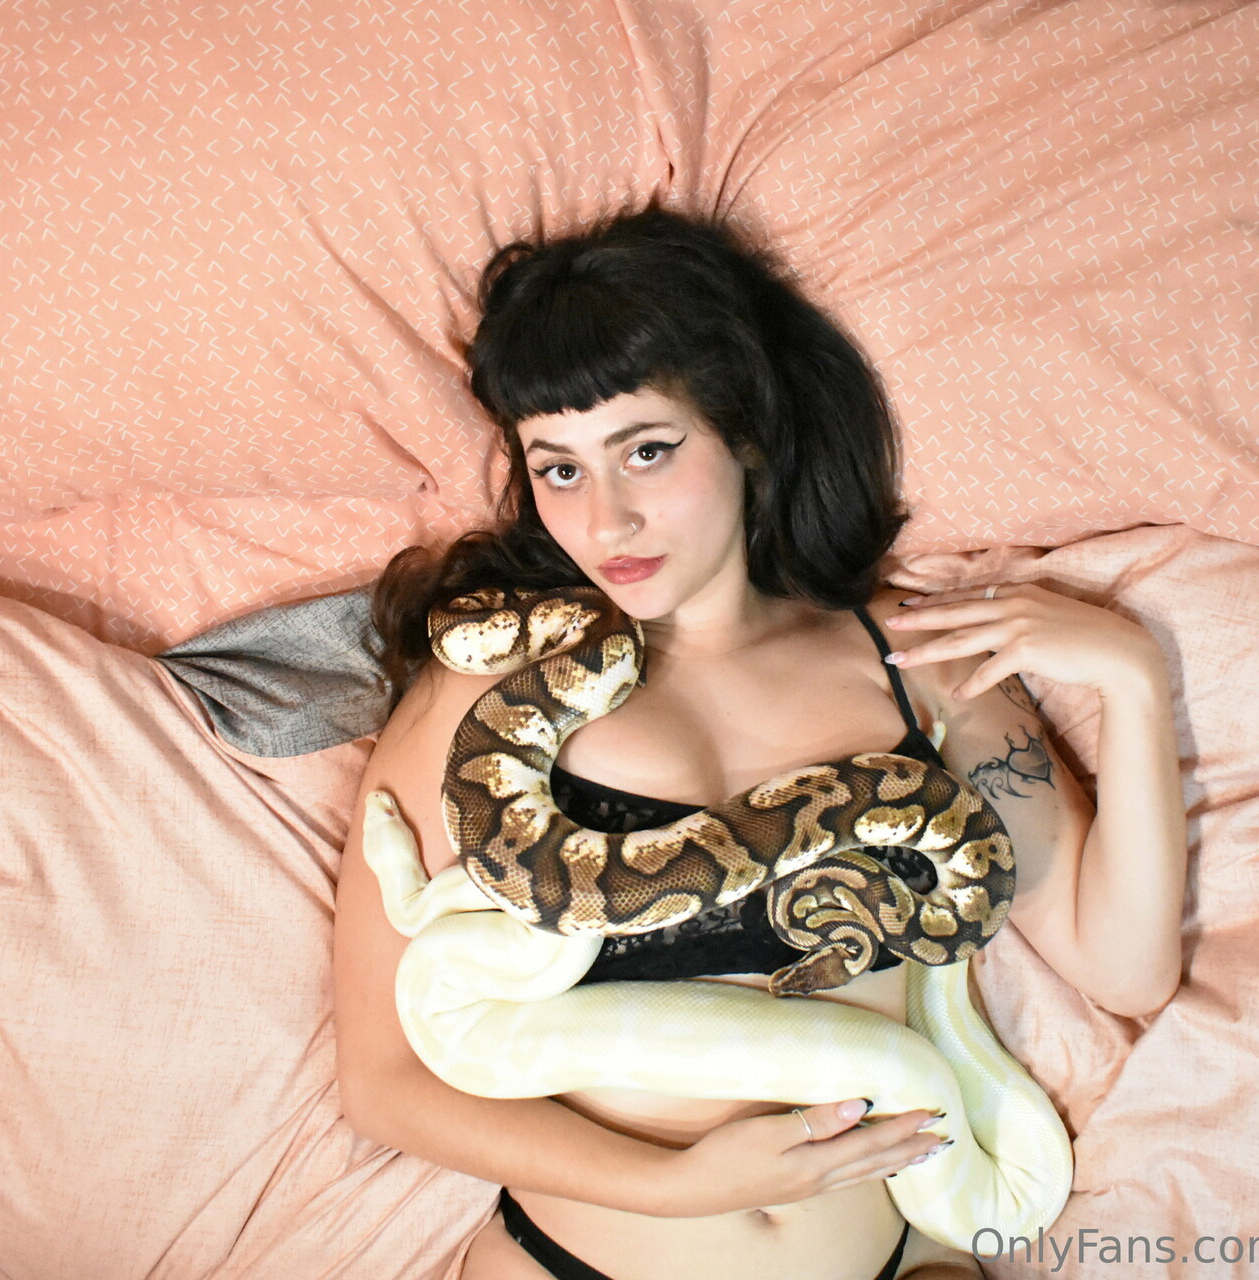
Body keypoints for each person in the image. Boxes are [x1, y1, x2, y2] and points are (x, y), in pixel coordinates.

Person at [331, 204, 1188, 1280]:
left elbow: (1126, 968)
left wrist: (1132, 679)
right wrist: (676, 1184)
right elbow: (383, 1082)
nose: (607, 521)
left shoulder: (909, 659)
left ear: (743, 430)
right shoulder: (485, 693)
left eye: (648, 451)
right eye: (561, 468)